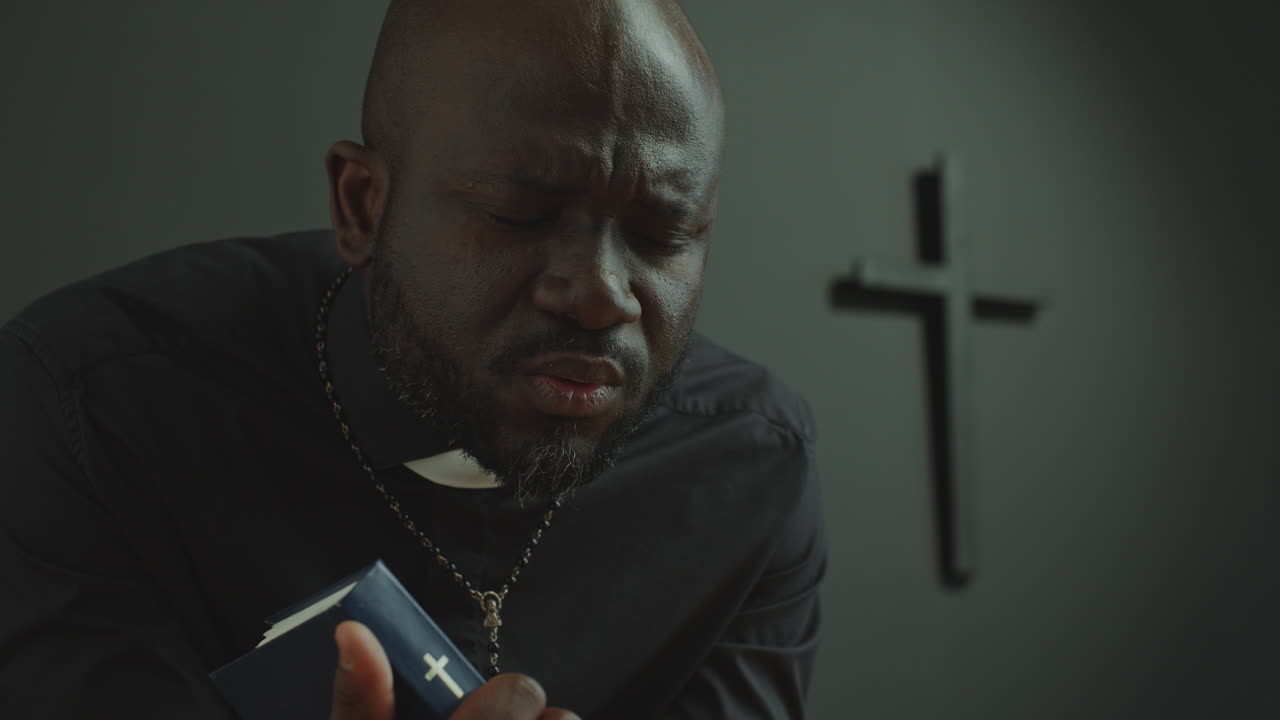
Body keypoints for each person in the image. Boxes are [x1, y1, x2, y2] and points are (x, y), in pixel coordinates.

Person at [0, 0, 826, 717]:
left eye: (660, 234)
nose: (601, 296)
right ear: (363, 206)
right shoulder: (88, 410)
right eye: (519, 213)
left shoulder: (747, 472)